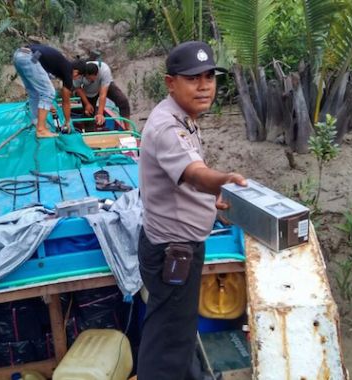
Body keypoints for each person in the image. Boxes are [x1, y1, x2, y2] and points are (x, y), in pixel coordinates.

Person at [137, 41, 247, 379]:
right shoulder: (167, 127)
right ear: (171, 83)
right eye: (192, 78)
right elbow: (195, 174)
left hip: (177, 246)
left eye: (209, 77)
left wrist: (209, 199)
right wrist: (223, 182)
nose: (204, 86)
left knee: (178, 332)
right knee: (168, 340)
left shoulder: (181, 117)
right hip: (173, 250)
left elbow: (187, 178)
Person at [13, 44, 74, 137]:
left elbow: (41, 84)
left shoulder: (58, 64)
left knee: (34, 92)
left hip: (19, 55)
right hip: (30, 57)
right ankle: (41, 129)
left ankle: (36, 122)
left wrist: (48, 104)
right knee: (49, 93)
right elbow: (65, 101)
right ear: (77, 72)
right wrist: (67, 122)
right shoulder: (68, 70)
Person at [72, 59, 130, 129]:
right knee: (88, 113)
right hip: (89, 91)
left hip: (105, 85)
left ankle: (128, 129)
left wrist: (100, 113)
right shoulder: (79, 74)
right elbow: (78, 88)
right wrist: (87, 103)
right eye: (90, 79)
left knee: (122, 101)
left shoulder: (104, 70)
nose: (93, 80)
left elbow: (103, 94)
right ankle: (90, 133)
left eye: (94, 78)